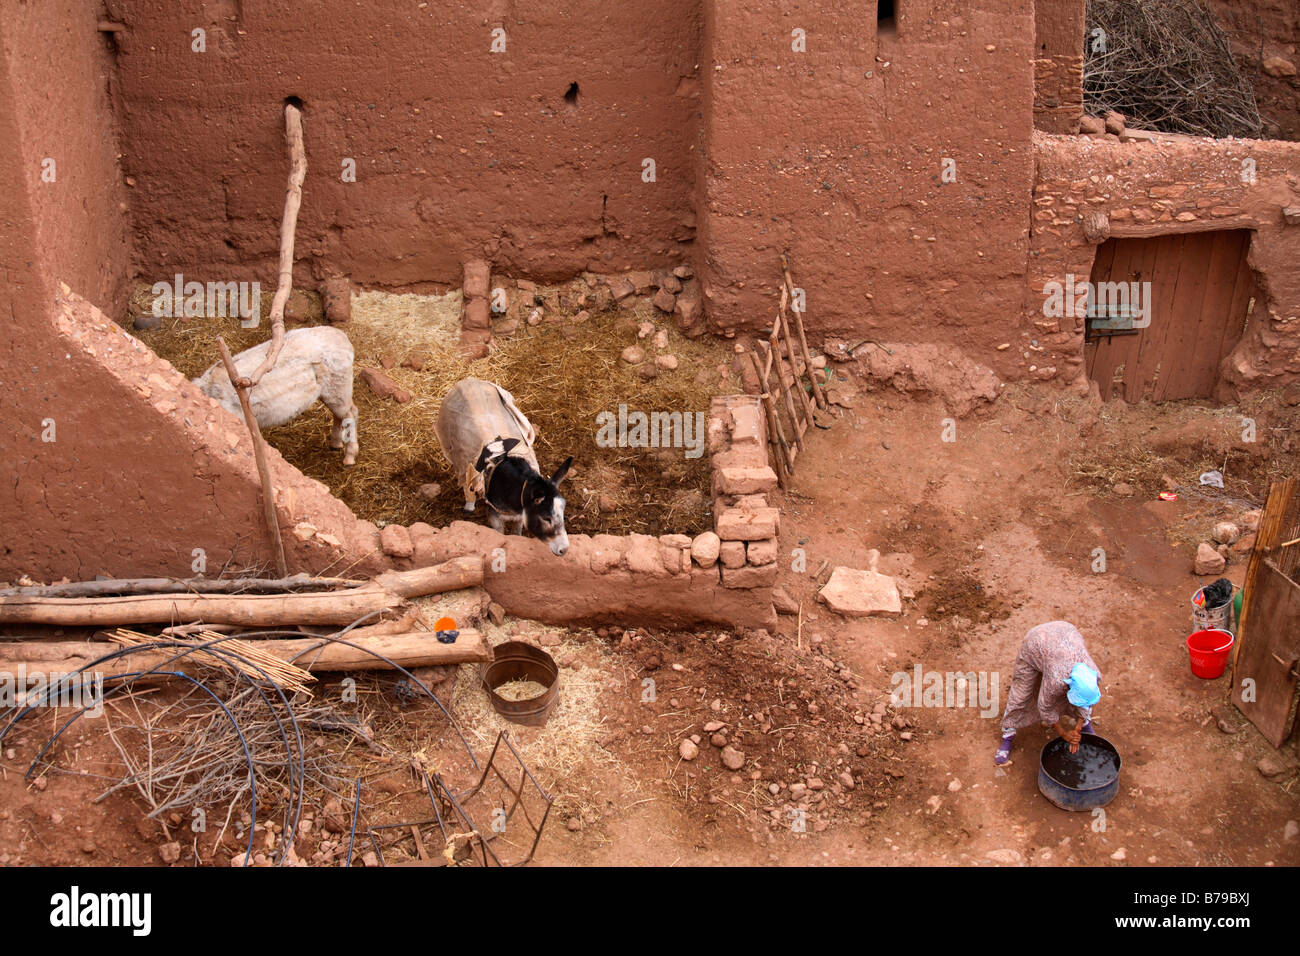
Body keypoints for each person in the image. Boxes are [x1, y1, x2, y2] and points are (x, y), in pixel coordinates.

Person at [994, 621, 1101, 766]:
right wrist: (1063, 734)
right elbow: (1044, 706)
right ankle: (1008, 735)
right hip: (1037, 642)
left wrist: (1078, 728)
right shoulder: (1057, 680)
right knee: (1021, 695)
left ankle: (1086, 725)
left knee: (1078, 699)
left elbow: (1085, 701)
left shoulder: (1093, 675)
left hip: (1065, 634)